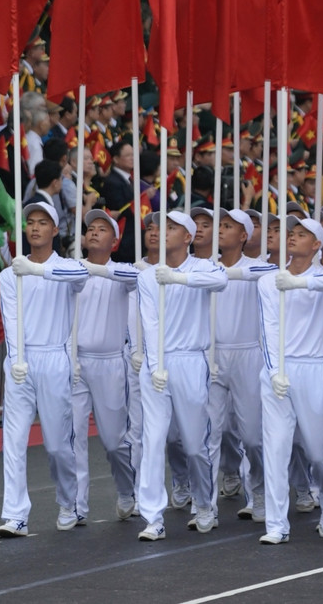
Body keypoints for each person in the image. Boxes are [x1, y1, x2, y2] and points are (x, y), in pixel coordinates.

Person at [256, 216, 323, 544]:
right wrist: (273, 370)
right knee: (276, 447)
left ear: (317, 245)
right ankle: (276, 524)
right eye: (291, 233)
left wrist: (300, 284)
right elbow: (268, 328)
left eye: (303, 235)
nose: (294, 238)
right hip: (278, 370)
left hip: (313, 369)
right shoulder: (269, 281)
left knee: (317, 449)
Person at [0, 202, 89, 537]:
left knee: (57, 444)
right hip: (21, 362)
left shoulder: (68, 267)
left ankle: (68, 501)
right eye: (30, 222)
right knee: (14, 440)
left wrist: (35, 271)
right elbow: (11, 319)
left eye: (42, 223)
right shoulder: (10, 275)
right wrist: (16, 358)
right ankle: (15, 514)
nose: (35, 228)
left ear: (55, 230)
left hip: (54, 359)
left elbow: (79, 276)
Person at [135, 210, 228, 541]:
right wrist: (155, 363)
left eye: (172, 228)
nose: (162, 232)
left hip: (191, 362)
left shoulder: (203, 267)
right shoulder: (147, 277)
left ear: (188, 237)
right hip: (157, 364)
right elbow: (151, 322)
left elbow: (220, 280)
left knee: (193, 445)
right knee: (153, 440)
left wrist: (178, 279)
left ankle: (205, 503)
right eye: (161, 226)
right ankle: (153, 517)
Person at [71, 209, 140, 522]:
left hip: (111, 364)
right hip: (75, 363)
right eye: (90, 228)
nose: (94, 232)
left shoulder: (123, 272)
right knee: (72, 438)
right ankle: (74, 506)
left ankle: (128, 490)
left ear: (115, 241)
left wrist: (94, 270)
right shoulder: (72, 269)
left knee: (114, 443)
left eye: (102, 229)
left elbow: (134, 279)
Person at [208, 209, 277, 524]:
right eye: (219, 225)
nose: (220, 230)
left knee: (252, 436)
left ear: (245, 235)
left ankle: (259, 491)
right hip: (211, 355)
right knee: (210, 433)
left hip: (248, 356)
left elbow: (276, 274)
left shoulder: (261, 269)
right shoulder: (206, 267)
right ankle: (204, 503)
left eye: (228, 226)